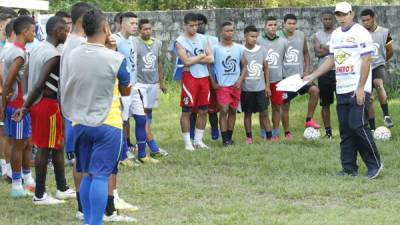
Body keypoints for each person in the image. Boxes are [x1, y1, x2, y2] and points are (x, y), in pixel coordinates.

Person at [61, 9, 135, 225]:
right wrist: (112, 51)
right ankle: (95, 222)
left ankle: (87, 221)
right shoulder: (115, 58)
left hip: (79, 122)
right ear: (105, 28)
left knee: (86, 173)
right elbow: (126, 89)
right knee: (101, 176)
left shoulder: (72, 53)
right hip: (108, 123)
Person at [306, 2, 383, 179]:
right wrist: (312, 76)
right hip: (341, 89)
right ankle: (349, 168)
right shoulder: (335, 35)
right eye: (338, 15)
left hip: (357, 89)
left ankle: (375, 165)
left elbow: (367, 61)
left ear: (352, 14)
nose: (341, 17)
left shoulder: (360, 33)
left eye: (344, 14)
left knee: (358, 126)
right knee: (346, 129)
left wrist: (362, 88)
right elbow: (331, 60)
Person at [13, 16, 75, 204]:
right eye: (65, 30)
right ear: (57, 32)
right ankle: (39, 194)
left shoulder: (38, 47)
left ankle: (62, 187)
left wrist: (26, 99)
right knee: (44, 148)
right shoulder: (53, 55)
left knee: (57, 145)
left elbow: (25, 74)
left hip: (39, 104)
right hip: (47, 105)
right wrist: (25, 106)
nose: (68, 33)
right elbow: (40, 83)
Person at [60, 2, 94, 218]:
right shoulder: (80, 44)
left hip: (73, 108)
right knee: (83, 160)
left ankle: (84, 204)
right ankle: (83, 206)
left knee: (81, 159)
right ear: (84, 19)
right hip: (80, 109)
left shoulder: (70, 43)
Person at [2, 15, 35, 198]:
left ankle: (27, 178)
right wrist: (3, 106)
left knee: (25, 142)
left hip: (19, 104)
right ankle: (16, 185)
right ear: (25, 31)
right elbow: (7, 82)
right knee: (18, 144)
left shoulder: (13, 48)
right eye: (33, 30)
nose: (34, 34)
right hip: (17, 107)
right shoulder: (18, 54)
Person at [175, 13, 213, 150]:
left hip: (203, 77)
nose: (194, 28)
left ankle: (198, 141)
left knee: (204, 110)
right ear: (184, 25)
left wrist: (195, 58)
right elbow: (185, 61)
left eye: (196, 25)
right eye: (191, 26)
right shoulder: (180, 41)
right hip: (189, 78)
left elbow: (211, 58)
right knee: (187, 111)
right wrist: (202, 55)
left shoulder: (203, 38)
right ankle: (187, 143)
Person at [278, 14, 320, 140]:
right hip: (285, 78)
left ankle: (309, 119)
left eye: (294, 24)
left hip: (300, 77)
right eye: (289, 23)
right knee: (285, 106)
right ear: (283, 24)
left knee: (315, 91)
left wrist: (307, 70)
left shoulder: (301, 35)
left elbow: (306, 53)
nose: (292, 26)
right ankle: (287, 132)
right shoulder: (278, 36)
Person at [135, 18, 169, 158]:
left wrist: (161, 82)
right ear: (140, 30)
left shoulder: (157, 43)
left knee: (148, 112)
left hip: (153, 83)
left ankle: (143, 137)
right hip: (140, 83)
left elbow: (158, 63)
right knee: (141, 114)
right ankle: (150, 145)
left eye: (150, 29)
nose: (148, 31)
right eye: (145, 29)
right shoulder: (135, 43)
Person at [210, 21, 246, 146]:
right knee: (224, 110)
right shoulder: (215, 48)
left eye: (231, 30)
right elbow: (209, 66)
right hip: (222, 86)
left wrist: (240, 80)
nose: (230, 33)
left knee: (233, 110)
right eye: (227, 31)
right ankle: (225, 139)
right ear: (221, 32)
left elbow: (244, 66)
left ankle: (229, 137)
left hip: (235, 86)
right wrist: (213, 82)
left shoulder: (239, 48)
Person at [360, 9, 394, 130]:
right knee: (368, 98)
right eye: (363, 21)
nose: (366, 23)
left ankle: (386, 115)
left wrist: (382, 61)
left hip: (378, 65)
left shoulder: (384, 32)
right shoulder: (360, 33)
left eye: (368, 20)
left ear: (374, 18)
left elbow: (390, 51)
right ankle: (373, 128)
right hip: (365, 67)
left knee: (378, 83)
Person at [189, 13, 220, 141]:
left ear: (205, 25)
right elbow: (185, 61)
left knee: (211, 108)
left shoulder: (213, 40)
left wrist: (196, 59)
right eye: (196, 24)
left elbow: (214, 60)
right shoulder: (186, 40)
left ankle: (214, 131)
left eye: (201, 24)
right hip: (193, 77)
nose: (199, 26)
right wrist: (204, 58)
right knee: (192, 109)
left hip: (210, 77)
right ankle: (191, 134)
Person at [257, 16, 288, 141]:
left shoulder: (283, 41)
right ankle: (263, 132)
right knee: (263, 109)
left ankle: (275, 132)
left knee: (276, 107)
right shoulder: (258, 40)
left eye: (275, 25)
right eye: (270, 25)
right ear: (265, 26)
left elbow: (284, 60)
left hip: (278, 80)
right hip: (261, 81)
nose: (272, 27)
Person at [241, 25, 271, 144]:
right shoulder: (240, 50)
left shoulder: (262, 50)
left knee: (264, 113)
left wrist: (267, 85)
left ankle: (269, 137)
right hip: (246, 89)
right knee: (247, 113)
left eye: (255, 37)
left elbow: (266, 68)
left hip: (260, 88)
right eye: (251, 36)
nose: (254, 39)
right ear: (245, 36)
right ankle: (249, 137)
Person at [313, 10, 336, 138]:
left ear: (333, 19)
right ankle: (328, 132)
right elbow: (318, 53)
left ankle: (346, 131)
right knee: (325, 104)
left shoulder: (339, 33)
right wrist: (333, 48)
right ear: (322, 20)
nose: (327, 21)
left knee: (344, 103)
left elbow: (341, 49)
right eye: (325, 19)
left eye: (329, 19)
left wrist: (324, 46)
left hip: (339, 71)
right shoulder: (317, 35)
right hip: (324, 73)